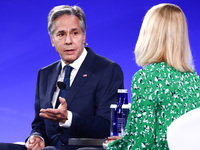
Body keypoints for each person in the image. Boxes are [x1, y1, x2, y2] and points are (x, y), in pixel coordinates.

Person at [0, 5, 124, 150]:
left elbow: (108, 125)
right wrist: (37, 137)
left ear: (84, 36)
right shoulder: (45, 73)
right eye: (61, 34)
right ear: (52, 40)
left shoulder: (107, 69)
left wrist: (68, 118)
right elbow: (39, 123)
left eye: (75, 33)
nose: (68, 41)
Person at [106, 3, 200, 149]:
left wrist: (112, 146)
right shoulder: (194, 79)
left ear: (149, 35)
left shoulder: (146, 78)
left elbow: (141, 143)